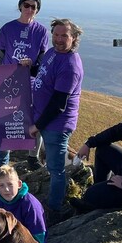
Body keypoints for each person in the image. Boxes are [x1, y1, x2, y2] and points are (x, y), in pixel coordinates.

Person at [28, 18, 84, 215]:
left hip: (56, 125)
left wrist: (37, 125)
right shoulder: (52, 53)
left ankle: (54, 209)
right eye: (56, 35)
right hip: (46, 120)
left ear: (74, 38)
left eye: (64, 36)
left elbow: (59, 104)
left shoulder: (70, 65)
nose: (59, 39)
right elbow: (42, 73)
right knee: (52, 166)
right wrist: (30, 66)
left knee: (56, 170)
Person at [0, 0, 50, 169]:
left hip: (32, 84)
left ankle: (33, 157)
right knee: (6, 121)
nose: (30, 9)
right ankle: (2, 160)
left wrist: (33, 65)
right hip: (8, 83)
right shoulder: (7, 29)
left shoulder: (41, 32)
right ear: (20, 6)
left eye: (34, 7)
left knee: (36, 120)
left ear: (37, 10)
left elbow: (42, 59)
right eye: (26, 5)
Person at [0, 165, 48, 243]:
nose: (6, 189)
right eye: (1, 185)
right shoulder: (0, 202)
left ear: (19, 184)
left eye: (10, 184)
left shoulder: (30, 205)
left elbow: (39, 236)